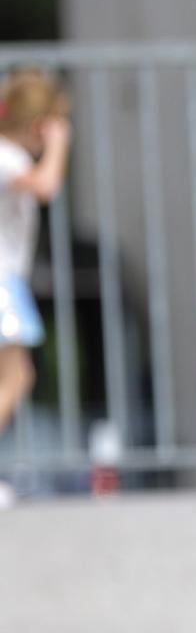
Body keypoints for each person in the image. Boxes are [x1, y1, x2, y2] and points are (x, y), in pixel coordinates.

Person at [0, 69, 70, 510]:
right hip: (1, 280)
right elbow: (47, 187)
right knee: (16, 377)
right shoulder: (8, 157)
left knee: (15, 377)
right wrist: (61, 145)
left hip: (7, 279)